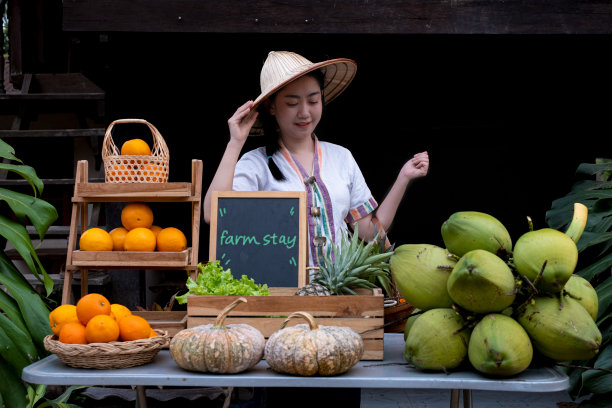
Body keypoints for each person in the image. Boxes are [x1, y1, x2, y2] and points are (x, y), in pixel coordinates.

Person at [204, 51, 429, 269]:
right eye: (292, 103)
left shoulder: (342, 158)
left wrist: (404, 177)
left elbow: (369, 231)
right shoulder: (255, 164)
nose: (304, 113)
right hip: (283, 297)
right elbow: (213, 215)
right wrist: (235, 142)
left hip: (339, 297)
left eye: (313, 101)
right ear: (270, 106)